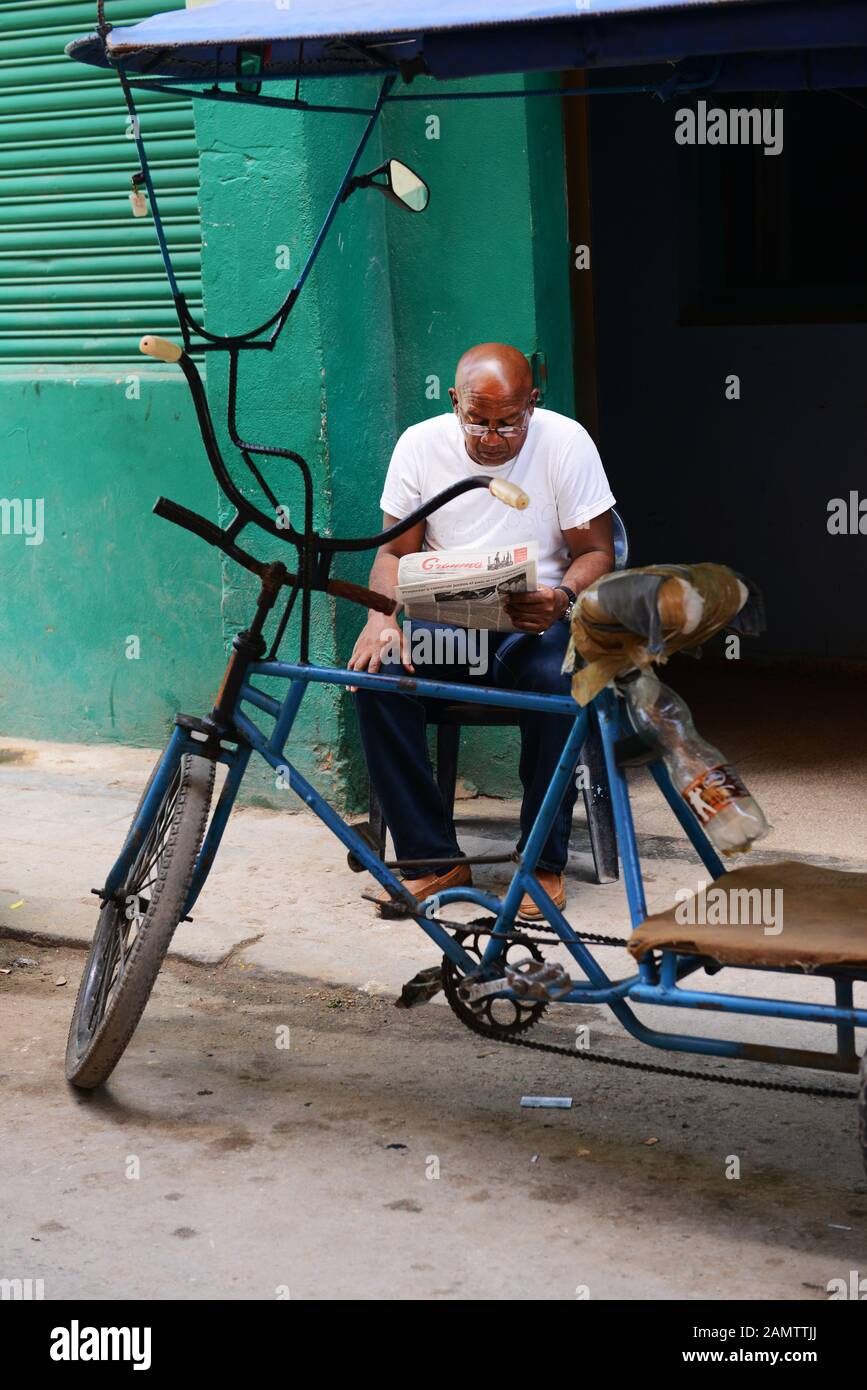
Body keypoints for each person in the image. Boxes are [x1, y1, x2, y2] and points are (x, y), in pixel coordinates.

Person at [349, 342, 615, 920]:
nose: (493, 438)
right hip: (449, 630)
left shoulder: (565, 442)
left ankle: (540, 862)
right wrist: (379, 618)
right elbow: (392, 553)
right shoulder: (419, 446)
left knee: (559, 679)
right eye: (478, 421)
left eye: (509, 424)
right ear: (454, 403)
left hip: (533, 625)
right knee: (378, 676)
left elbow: (597, 549)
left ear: (533, 405)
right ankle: (432, 861)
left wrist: (561, 598)